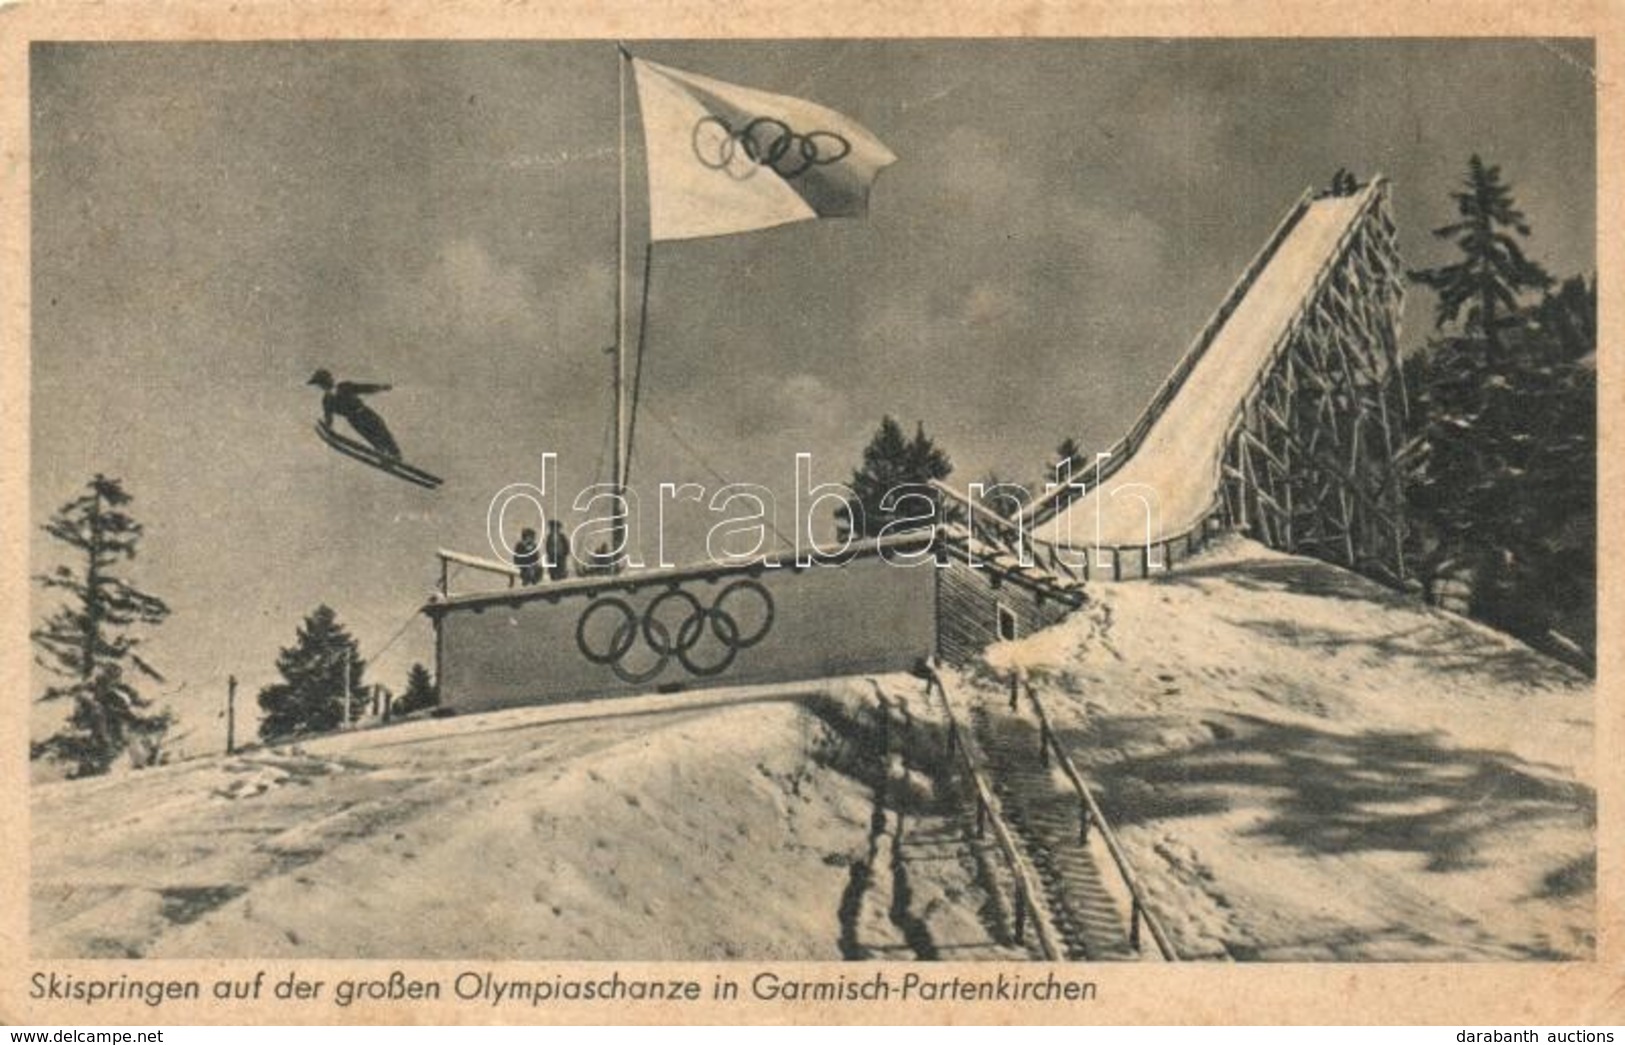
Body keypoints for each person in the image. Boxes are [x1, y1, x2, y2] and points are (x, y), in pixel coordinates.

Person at [308, 369, 400, 459]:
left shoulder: (344, 386)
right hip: (354, 420)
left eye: (323, 383)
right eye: (321, 385)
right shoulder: (327, 400)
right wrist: (328, 428)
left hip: (365, 413)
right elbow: (328, 417)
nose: (323, 386)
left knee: (382, 431)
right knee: (370, 436)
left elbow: (363, 388)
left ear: (329, 380)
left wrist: (380, 387)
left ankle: (395, 454)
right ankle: (382, 453)